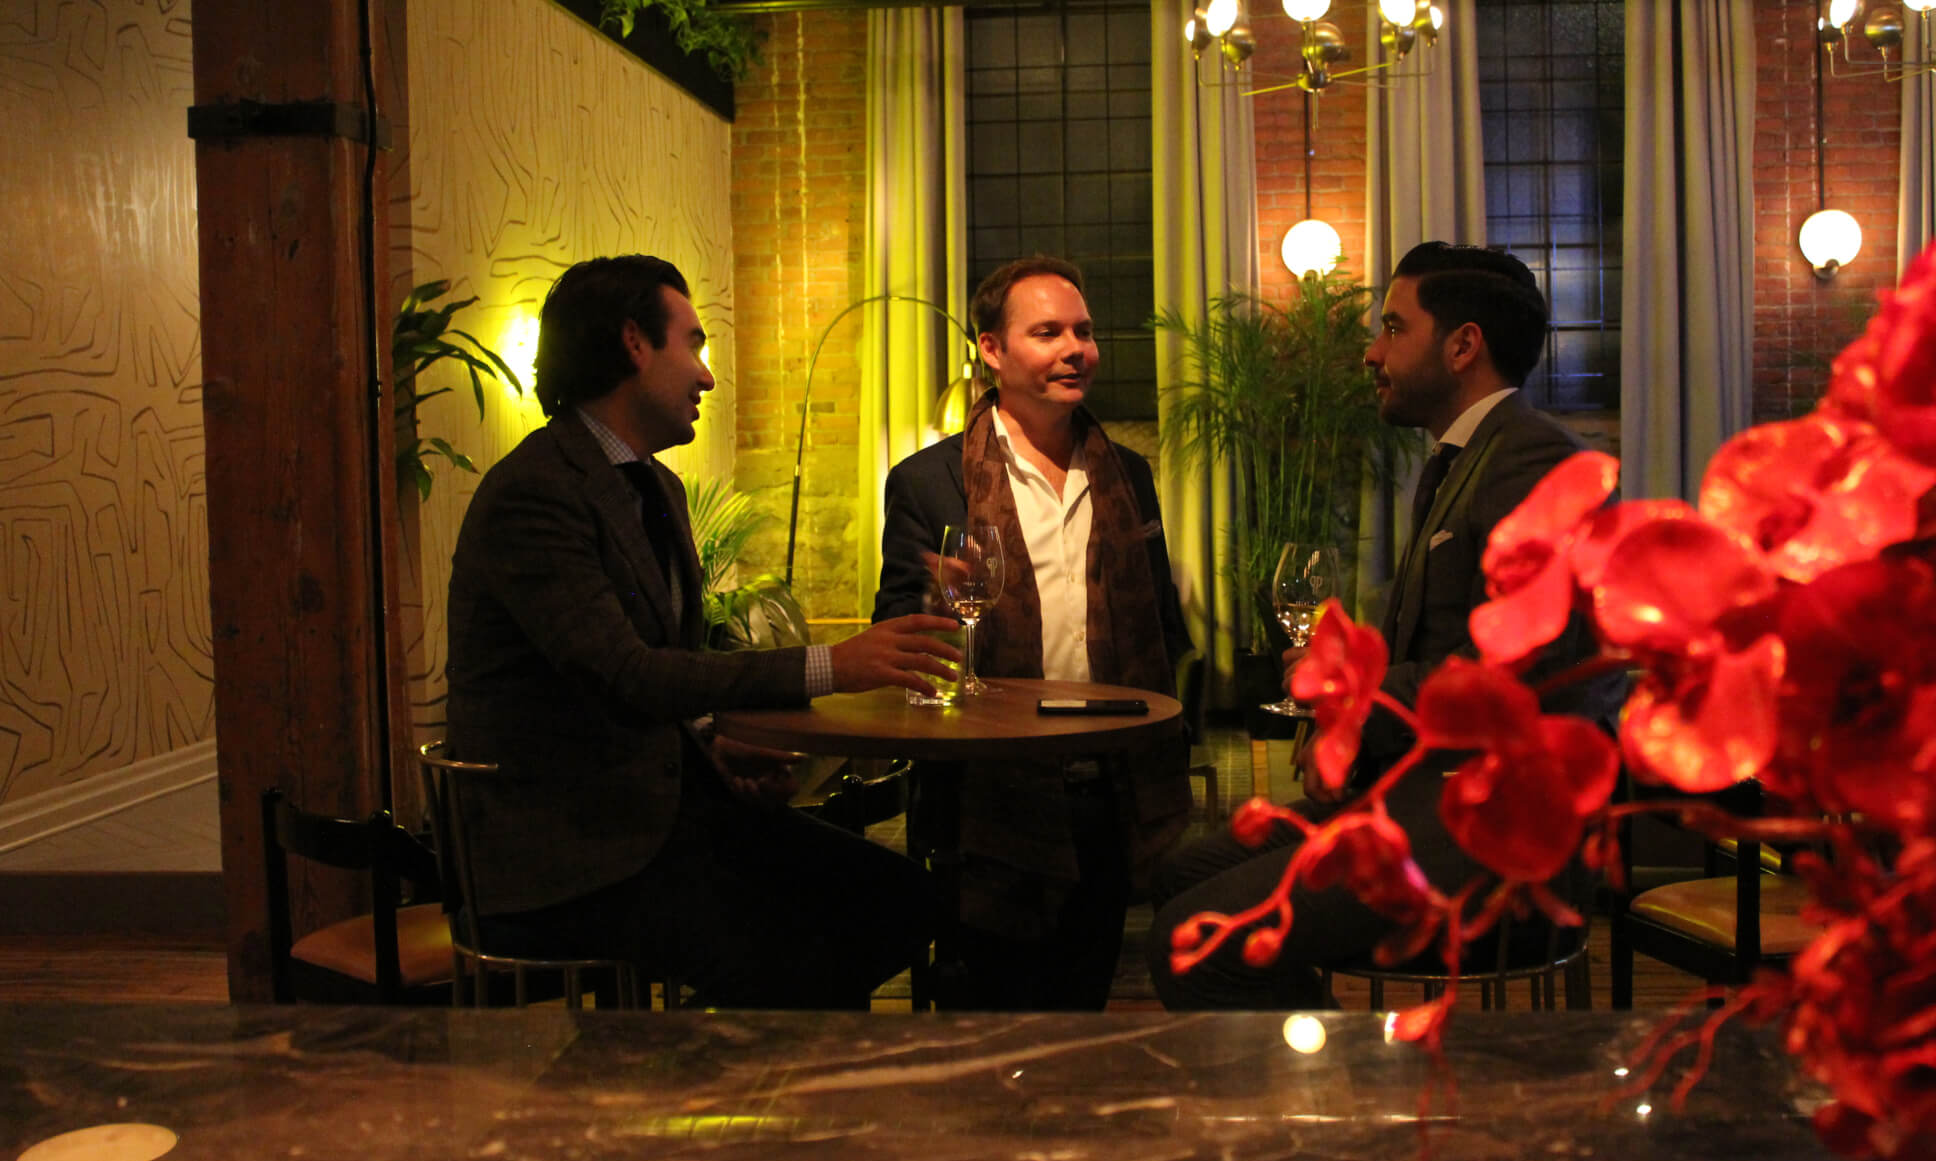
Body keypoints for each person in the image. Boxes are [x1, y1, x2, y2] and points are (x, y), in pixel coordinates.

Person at [445, 254, 961, 1009]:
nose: (708, 377)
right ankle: (730, 1068)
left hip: (660, 820)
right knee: (807, 955)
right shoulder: (536, 492)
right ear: (634, 343)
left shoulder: (656, 485)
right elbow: (625, 674)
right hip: (567, 853)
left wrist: (712, 746)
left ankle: (750, 1060)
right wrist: (831, 665)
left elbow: (663, 670)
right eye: (694, 344)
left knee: (903, 899)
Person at [1146, 241, 1621, 1010]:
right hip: (1420, 794)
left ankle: (1346, 1082)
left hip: (1496, 831)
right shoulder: (1470, 458)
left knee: (1196, 938)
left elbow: (1514, 674)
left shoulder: (1533, 461)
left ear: (1463, 345)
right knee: (1180, 877)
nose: (1372, 351)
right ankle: (1326, 1055)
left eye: (1394, 327)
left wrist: (1353, 698)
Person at [873, 255, 1194, 1009]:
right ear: (992, 350)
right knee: (989, 1015)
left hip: (1106, 787)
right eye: (1048, 332)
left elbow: (1162, 622)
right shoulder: (930, 481)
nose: (1075, 349)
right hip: (984, 803)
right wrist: (940, 605)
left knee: (1084, 1005)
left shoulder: (1129, 474)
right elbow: (895, 637)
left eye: (1084, 331)